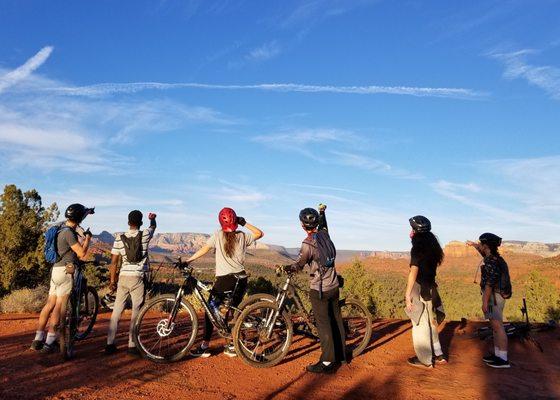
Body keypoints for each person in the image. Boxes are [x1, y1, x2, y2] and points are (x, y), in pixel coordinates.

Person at [187, 207, 263, 358]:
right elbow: (259, 233)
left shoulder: (218, 234)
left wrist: (187, 260)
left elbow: (204, 249)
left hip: (224, 279)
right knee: (234, 311)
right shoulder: (242, 235)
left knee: (210, 310)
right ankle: (233, 345)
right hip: (240, 279)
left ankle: (205, 345)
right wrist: (244, 223)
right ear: (235, 220)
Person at [283, 204, 346, 374]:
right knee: (336, 319)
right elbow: (325, 225)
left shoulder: (307, 243)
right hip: (334, 285)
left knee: (323, 324)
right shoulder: (325, 235)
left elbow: (299, 264)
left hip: (320, 290)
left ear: (302, 226)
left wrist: (287, 268)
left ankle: (327, 362)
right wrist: (322, 212)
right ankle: (341, 356)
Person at [31, 204, 93, 353]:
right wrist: (88, 239)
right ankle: (49, 342)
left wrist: (88, 212)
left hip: (56, 270)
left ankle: (37, 340)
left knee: (49, 305)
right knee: (59, 307)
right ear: (78, 218)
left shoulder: (59, 228)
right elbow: (81, 253)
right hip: (67, 272)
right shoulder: (69, 233)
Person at [105, 210, 157, 355]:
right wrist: (152, 219)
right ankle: (132, 345)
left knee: (116, 312)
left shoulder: (119, 238)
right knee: (136, 312)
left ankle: (110, 343)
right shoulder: (145, 234)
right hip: (138, 278)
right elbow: (153, 227)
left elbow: (114, 262)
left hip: (123, 278)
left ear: (128, 222)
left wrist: (112, 281)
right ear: (140, 223)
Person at [404, 215, 446, 369]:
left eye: (412, 228)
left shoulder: (418, 248)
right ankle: (439, 354)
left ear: (415, 231)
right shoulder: (433, 246)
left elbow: (413, 271)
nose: (410, 232)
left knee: (420, 324)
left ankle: (425, 360)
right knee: (430, 322)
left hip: (421, 289)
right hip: (431, 288)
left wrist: (408, 294)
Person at [467, 233, 512, 369]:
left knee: (498, 327)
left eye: (481, 243)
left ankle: (503, 360)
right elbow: (482, 251)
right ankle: (498, 356)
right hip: (497, 296)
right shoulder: (494, 258)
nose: (479, 245)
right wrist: (474, 245)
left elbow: (489, 284)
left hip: (493, 298)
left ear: (486, 246)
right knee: (495, 327)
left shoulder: (490, 262)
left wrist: (485, 302)